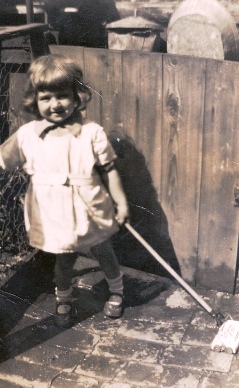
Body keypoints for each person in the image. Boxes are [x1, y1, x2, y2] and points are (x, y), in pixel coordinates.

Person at [0, 54, 129, 327]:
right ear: (34, 100)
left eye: (62, 96)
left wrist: (121, 203)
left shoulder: (91, 133)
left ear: (77, 96)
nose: (55, 104)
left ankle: (117, 289)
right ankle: (64, 297)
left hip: (90, 207)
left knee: (102, 249)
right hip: (53, 213)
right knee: (64, 257)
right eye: (46, 97)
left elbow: (109, 169)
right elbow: (2, 160)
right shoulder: (27, 135)